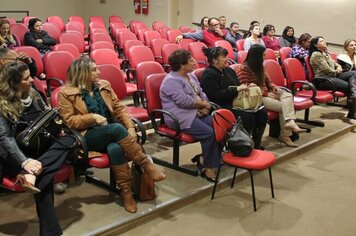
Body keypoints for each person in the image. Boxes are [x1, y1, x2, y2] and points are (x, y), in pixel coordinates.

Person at [58, 57, 166, 213]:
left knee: (115, 148)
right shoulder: (67, 94)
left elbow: (119, 109)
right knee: (116, 129)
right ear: (82, 73)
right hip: (87, 136)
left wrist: (130, 128)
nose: (99, 72)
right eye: (94, 69)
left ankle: (126, 194)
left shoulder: (104, 86)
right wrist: (92, 117)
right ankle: (146, 165)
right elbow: (69, 122)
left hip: (111, 132)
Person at [0, 60, 76, 236]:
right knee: (45, 176)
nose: (32, 80)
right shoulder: (2, 103)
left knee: (70, 140)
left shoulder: (33, 94)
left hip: (39, 145)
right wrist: (25, 162)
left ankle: (32, 175)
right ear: (14, 82)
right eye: (26, 79)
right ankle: (50, 231)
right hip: (17, 153)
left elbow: (45, 119)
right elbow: (5, 138)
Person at [160, 49, 220, 182]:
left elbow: (201, 92)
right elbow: (183, 101)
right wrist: (203, 105)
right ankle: (208, 167)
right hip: (180, 117)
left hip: (197, 111)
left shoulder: (191, 76)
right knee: (209, 133)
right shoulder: (171, 80)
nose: (194, 62)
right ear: (182, 65)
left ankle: (204, 158)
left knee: (220, 127)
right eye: (191, 60)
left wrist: (206, 104)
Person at [238, 44, 307, 147]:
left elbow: (268, 81)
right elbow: (246, 87)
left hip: (267, 93)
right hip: (256, 97)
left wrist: (274, 87)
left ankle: (290, 121)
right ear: (256, 56)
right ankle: (286, 135)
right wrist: (266, 93)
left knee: (287, 95)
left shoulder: (261, 66)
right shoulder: (244, 68)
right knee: (283, 107)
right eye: (263, 55)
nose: (265, 57)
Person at [200, 46, 268, 149]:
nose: (226, 59)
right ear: (215, 60)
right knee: (248, 116)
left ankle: (256, 143)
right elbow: (214, 95)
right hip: (221, 104)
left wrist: (247, 87)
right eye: (223, 56)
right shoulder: (208, 73)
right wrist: (236, 89)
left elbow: (238, 85)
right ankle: (243, 145)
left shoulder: (228, 71)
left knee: (262, 112)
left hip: (236, 101)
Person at [309, 36, 356, 119]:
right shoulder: (316, 54)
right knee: (352, 86)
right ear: (315, 45)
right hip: (323, 80)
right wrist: (337, 71)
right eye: (321, 41)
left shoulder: (325, 53)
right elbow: (327, 70)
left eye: (324, 40)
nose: (324, 42)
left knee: (354, 74)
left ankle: (353, 99)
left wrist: (338, 67)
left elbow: (335, 63)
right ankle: (352, 110)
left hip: (333, 76)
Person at [337, 39, 356, 118]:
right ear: (346, 47)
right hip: (343, 76)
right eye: (351, 45)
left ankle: (353, 99)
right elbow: (338, 68)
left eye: (355, 45)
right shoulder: (341, 57)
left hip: (354, 78)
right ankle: (353, 97)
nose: (354, 47)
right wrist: (338, 66)